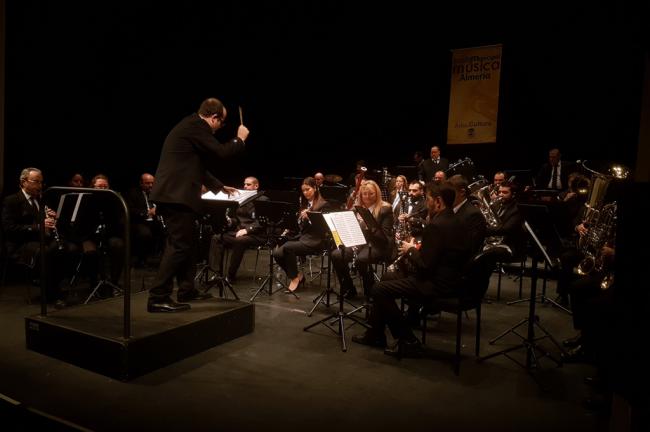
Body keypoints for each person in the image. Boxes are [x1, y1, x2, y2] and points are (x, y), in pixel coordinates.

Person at [147, 97, 249, 313]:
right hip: (175, 196)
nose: (220, 128)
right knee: (179, 245)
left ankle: (186, 289)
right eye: (221, 123)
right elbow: (221, 152)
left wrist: (220, 187)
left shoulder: (191, 127)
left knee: (189, 244)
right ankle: (157, 297)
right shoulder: (196, 126)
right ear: (214, 118)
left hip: (177, 195)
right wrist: (239, 140)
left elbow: (196, 166)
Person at [351, 183, 472, 356]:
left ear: (438, 201)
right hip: (451, 277)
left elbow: (425, 267)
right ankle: (375, 333)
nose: (427, 202)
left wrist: (411, 250)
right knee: (386, 278)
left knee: (378, 289)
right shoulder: (454, 219)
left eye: (429, 199)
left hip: (438, 284)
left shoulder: (437, 225)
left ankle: (408, 339)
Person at [1, 168, 67, 307]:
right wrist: (38, 226)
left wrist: (52, 218)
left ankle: (52, 284)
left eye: (41, 182)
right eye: (36, 182)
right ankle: (52, 293)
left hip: (39, 240)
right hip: (20, 244)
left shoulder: (40, 199)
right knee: (47, 253)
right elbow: (9, 229)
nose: (40, 186)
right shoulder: (11, 200)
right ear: (23, 182)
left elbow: (45, 224)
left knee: (64, 248)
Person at [330, 180, 395, 299]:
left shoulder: (385, 209)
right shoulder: (356, 209)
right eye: (364, 194)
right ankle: (348, 288)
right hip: (359, 242)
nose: (367, 197)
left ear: (377, 194)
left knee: (362, 259)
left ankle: (370, 290)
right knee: (336, 255)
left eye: (371, 194)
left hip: (377, 244)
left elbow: (385, 236)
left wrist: (369, 225)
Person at [273, 177, 332, 293]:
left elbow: (324, 228)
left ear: (315, 188)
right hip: (302, 238)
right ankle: (298, 275)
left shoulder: (324, 205)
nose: (305, 193)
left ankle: (294, 279)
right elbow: (299, 227)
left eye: (308, 189)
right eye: (303, 191)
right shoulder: (305, 204)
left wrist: (310, 217)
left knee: (288, 247)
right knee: (276, 252)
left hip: (316, 241)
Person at [212, 176, 268, 283]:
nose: (245, 186)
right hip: (239, 232)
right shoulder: (241, 199)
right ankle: (217, 274)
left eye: (248, 184)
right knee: (216, 238)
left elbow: (263, 222)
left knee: (240, 241)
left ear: (256, 186)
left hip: (256, 235)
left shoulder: (263, 200)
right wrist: (230, 221)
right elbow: (237, 219)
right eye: (244, 184)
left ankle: (230, 276)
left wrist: (247, 230)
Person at [125, 173, 165, 267]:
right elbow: (130, 209)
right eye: (147, 183)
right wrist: (147, 213)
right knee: (145, 233)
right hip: (139, 221)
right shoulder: (133, 193)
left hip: (154, 221)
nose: (151, 185)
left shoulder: (157, 193)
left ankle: (164, 260)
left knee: (167, 232)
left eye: (152, 183)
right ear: (141, 183)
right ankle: (141, 259)